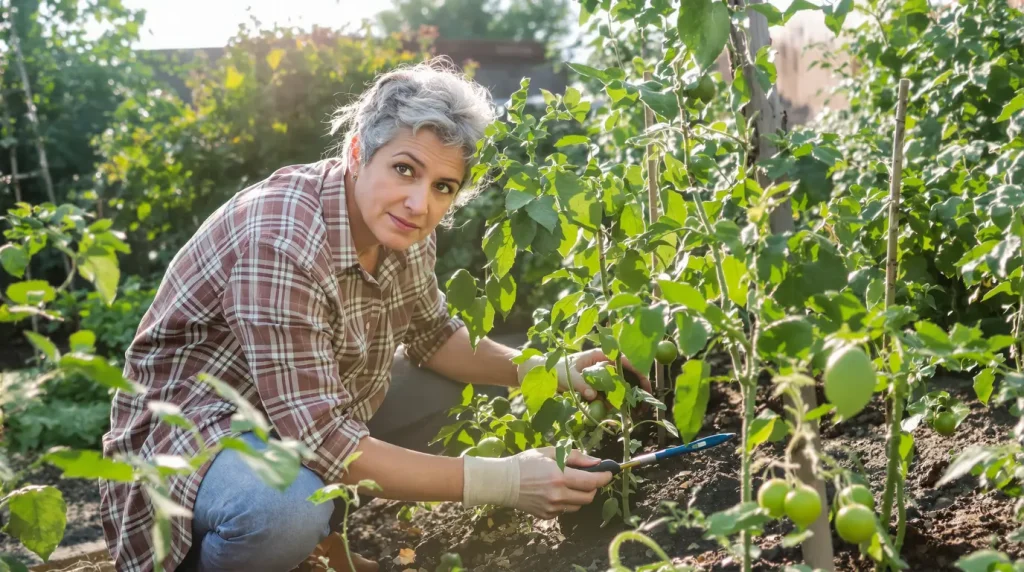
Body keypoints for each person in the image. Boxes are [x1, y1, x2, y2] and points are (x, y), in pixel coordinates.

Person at [100, 59, 650, 572]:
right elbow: (327, 445)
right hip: (191, 436)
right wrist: (503, 481)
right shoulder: (282, 241)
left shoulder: (404, 228)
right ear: (358, 151)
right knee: (284, 509)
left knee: (446, 390)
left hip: (295, 412)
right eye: (404, 169)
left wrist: (554, 370)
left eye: (443, 187)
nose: (420, 203)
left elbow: (435, 339)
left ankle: (316, 546)